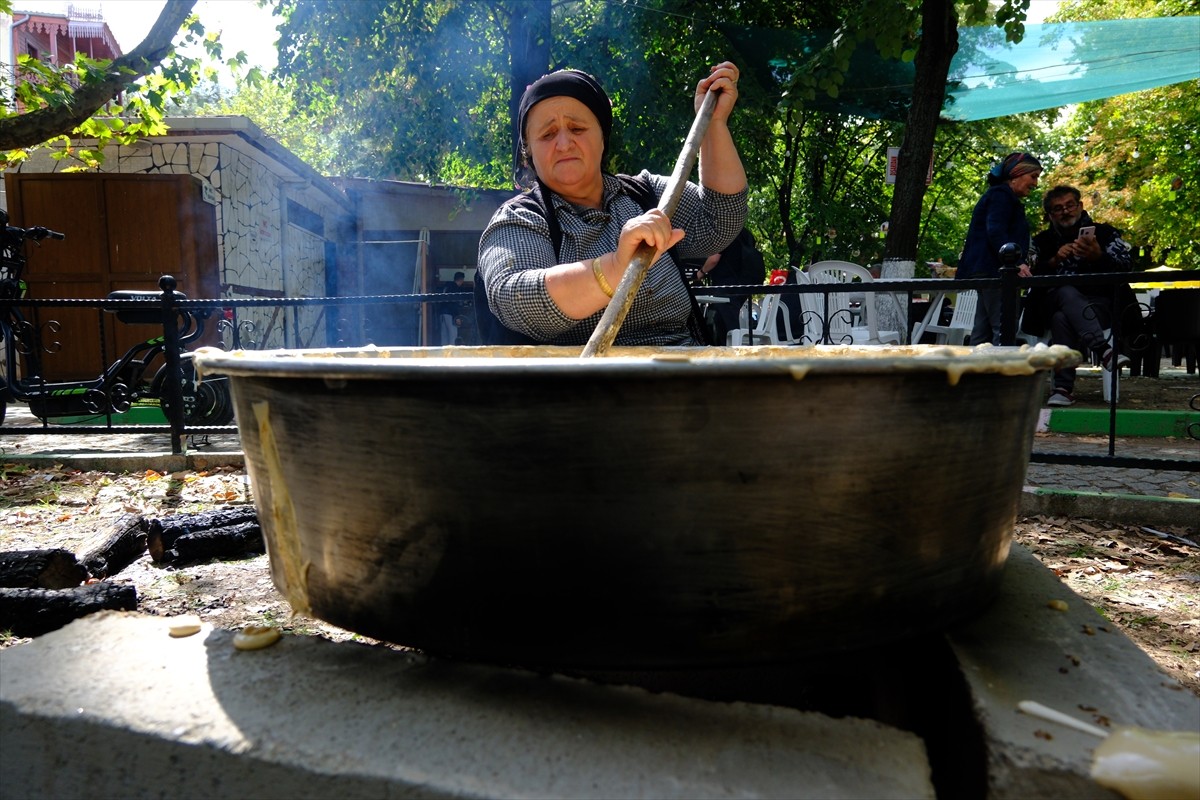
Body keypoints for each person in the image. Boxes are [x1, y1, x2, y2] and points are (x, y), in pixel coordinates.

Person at [476, 63, 748, 346]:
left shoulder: (645, 193)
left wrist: (714, 125)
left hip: (685, 373)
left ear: (602, 136)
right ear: (528, 150)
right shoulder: (520, 218)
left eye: (577, 128)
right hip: (584, 383)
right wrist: (617, 267)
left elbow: (721, 221)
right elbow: (517, 298)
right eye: (547, 135)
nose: (564, 143)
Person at [1026, 185, 1138, 407]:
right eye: (1058, 208)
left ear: (1080, 206)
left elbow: (1127, 266)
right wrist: (1054, 261)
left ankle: (1062, 388)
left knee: (1062, 318)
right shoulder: (1040, 242)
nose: (1065, 211)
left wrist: (1098, 256)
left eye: (1070, 205)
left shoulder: (1105, 233)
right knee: (1065, 290)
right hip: (1048, 304)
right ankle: (1104, 351)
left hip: (1098, 305)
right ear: (1050, 215)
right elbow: (1028, 275)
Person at [956, 152, 1043, 345]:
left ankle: (973, 372)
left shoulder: (1000, 196)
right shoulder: (1002, 196)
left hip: (987, 270)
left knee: (983, 329)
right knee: (1004, 327)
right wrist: (1017, 263)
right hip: (996, 271)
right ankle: (999, 373)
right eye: (1033, 176)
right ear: (1017, 173)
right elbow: (995, 230)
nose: (1036, 183)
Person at [685, 227, 766, 344]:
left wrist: (699, 273)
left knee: (726, 321)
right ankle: (730, 348)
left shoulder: (724, 233)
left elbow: (714, 259)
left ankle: (732, 351)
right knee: (722, 319)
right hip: (743, 281)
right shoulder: (745, 233)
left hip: (725, 284)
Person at [438, 271, 467, 346]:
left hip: (442, 313)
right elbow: (453, 303)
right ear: (461, 280)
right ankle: (452, 355)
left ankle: (444, 355)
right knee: (452, 337)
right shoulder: (455, 288)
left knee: (444, 337)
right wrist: (456, 317)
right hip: (450, 314)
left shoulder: (446, 286)